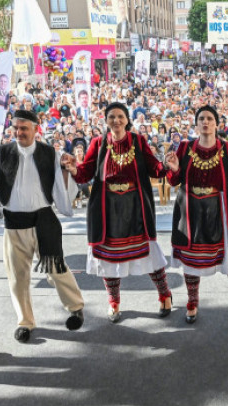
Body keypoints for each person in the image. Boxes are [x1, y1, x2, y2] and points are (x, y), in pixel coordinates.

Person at [0, 109, 85, 343]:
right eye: (16, 128)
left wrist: (67, 168)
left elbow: (62, 186)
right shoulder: (2, 153)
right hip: (14, 223)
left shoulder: (50, 153)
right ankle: (25, 321)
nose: (19, 132)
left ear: (35, 129)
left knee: (57, 268)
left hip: (44, 221)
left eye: (24, 128)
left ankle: (75, 307)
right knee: (17, 277)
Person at [62, 103, 172, 323]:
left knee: (149, 253)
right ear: (106, 120)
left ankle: (164, 294)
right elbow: (85, 173)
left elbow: (154, 168)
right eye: (111, 116)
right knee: (108, 258)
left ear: (127, 119)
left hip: (135, 208)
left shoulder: (138, 141)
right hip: (107, 209)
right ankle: (113, 301)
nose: (116, 120)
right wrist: (74, 169)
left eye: (120, 116)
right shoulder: (98, 142)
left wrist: (167, 165)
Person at [165, 106, 228, 323]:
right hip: (190, 211)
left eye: (210, 118)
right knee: (191, 259)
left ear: (216, 123)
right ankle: (192, 301)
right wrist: (174, 169)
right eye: (201, 119)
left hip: (219, 210)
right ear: (196, 124)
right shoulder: (185, 147)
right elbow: (174, 181)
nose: (205, 122)